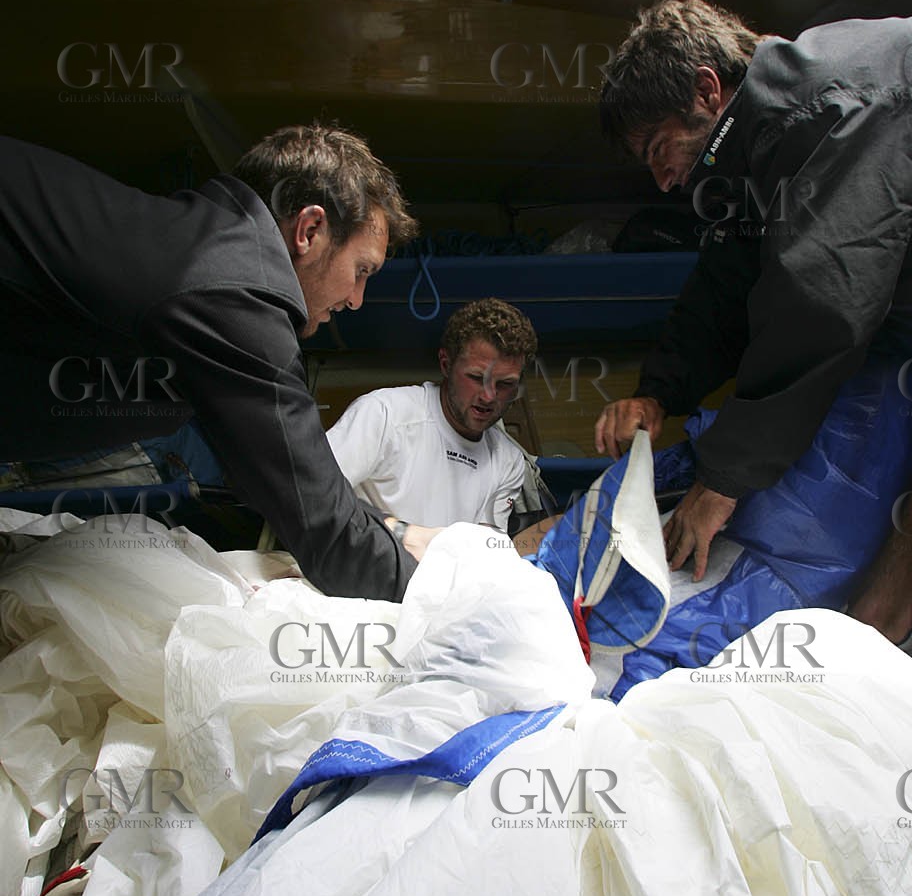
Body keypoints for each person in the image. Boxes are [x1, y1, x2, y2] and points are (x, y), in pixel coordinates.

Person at [594, 0, 912, 641]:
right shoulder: (759, 146)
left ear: (706, 90)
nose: (662, 181)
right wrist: (658, 390)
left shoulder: (827, 101)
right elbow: (726, 283)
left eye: (660, 147)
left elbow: (827, 302)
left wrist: (722, 480)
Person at [0, 123, 436, 601]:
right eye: (361, 270)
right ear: (309, 230)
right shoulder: (236, 287)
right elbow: (326, 531)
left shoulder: (212, 249)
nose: (357, 299)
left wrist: (391, 529)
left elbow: (274, 476)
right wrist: (454, 599)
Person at [327, 298, 537, 529]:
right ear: (446, 364)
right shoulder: (383, 414)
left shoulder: (508, 460)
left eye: (505, 384)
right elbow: (313, 498)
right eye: (477, 378)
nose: (488, 396)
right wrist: (401, 536)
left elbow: (482, 550)